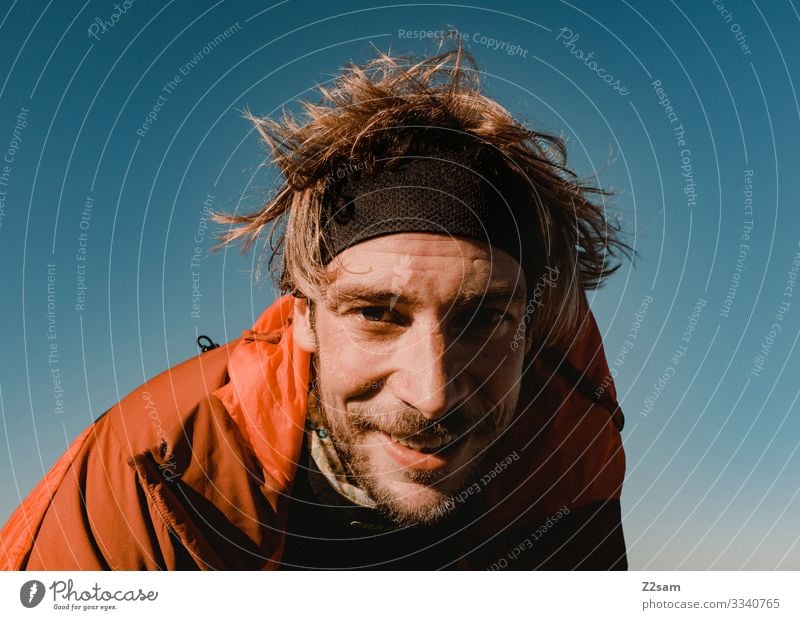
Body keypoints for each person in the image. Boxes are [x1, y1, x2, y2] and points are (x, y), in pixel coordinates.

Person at [1, 46, 631, 570]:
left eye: (487, 318)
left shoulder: (570, 448)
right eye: (376, 314)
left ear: (533, 324)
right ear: (303, 315)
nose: (433, 393)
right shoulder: (151, 472)